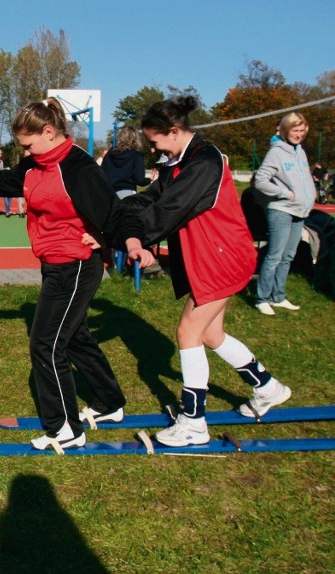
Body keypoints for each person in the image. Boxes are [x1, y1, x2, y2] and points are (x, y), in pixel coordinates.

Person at [0, 97, 149, 452]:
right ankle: (109, 403)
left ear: (48, 132)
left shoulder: (79, 169)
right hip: (54, 262)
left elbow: (115, 213)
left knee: (45, 344)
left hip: (75, 264)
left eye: (28, 144)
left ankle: (65, 429)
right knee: (75, 338)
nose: (25, 151)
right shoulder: (34, 166)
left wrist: (132, 243)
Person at [103, 96, 291, 447]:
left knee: (188, 331)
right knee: (210, 334)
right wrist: (113, 211)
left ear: (174, 132)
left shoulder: (204, 162)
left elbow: (167, 210)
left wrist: (128, 235)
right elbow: (150, 197)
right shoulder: (180, 160)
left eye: (155, 140)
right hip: (212, 257)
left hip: (224, 257)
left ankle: (193, 422)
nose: (153, 147)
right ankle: (268, 388)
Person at [254, 113, 315, 315]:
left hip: (300, 211)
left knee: (288, 256)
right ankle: (262, 298)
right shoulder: (276, 152)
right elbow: (261, 180)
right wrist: (284, 193)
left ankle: (278, 296)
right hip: (281, 210)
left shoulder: (300, 151)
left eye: (301, 131)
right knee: (275, 255)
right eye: (294, 131)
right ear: (286, 130)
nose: (298, 135)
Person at [101, 125, 154, 200]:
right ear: (135, 138)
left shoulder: (110, 154)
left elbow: (102, 174)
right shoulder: (136, 156)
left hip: (109, 193)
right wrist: (149, 180)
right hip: (127, 193)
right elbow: (139, 180)